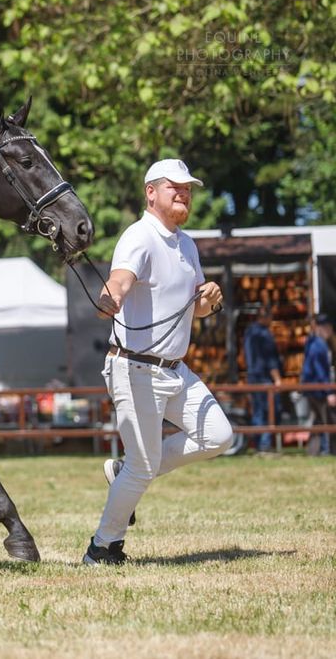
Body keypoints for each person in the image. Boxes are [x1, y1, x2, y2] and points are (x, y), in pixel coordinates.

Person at [84, 158, 233, 566]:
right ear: (151, 192)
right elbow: (119, 281)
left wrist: (207, 303)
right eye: (175, 187)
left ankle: (122, 473)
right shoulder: (140, 236)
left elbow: (194, 309)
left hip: (174, 369)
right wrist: (110, 296)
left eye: (188, 188)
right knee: (143, 466)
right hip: (134, 367)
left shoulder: (186, 243)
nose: (184, 193)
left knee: (219, 435)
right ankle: (103, 547)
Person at [243, 306, 284, 453]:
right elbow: (270, 360)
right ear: (265, 317)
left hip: (252, 376)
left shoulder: (249, 332)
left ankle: (258, 444)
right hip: (264, 377)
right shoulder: (264, 335)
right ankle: (265, 445)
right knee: (268, 412)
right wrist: (277, 379)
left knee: (257, 412)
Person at [301, 313, 334, 456]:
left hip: (312, 387)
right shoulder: (319, 345)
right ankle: (327, 449)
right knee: (327, 420)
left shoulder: (312, 342)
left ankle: (314, 451)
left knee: (318, 421)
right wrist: (329, 392)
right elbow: (320, 371)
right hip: (317, 389)